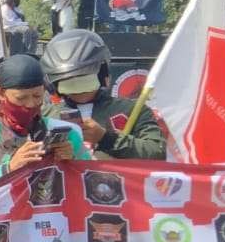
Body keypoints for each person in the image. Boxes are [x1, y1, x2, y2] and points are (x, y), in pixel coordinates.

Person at [0, 54, 91, 195]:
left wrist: (72, 160)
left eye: (37, 96)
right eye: (21, 98)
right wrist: (8, 169)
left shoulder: (65, 133)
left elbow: (92, 181)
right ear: (1, 94)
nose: (30, 104)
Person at [39, 30, 165, 160]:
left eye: (85, 80)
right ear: (55, 84)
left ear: (102, 74)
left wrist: (107, 139)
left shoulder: (133, 110)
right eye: (70, 83)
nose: (79, 90)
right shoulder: (45, 117)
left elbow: (157, 151)